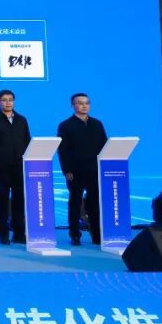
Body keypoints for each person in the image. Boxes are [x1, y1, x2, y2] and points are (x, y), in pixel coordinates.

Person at [56, 93, 108, 246]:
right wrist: (67, 170)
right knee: (75, 203)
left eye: (87, 103)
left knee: (95, 203)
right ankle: (75, 235)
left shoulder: (97, 124)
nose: (84, 106)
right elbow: (63, 150)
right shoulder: (65, 125)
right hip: (75, 171)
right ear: (73, 106)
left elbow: (104, 146)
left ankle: (97, 235)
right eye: (80, 103)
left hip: (94, 170)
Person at [0, 89, 31, 245]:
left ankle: (19, 233)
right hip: (0, 168)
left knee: (19, 200)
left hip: (19, 166)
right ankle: (3, 234)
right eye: (4, 100)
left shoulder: (22, 120)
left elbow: (27, 141)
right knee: (2, 200)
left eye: (11, 99)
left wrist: (29, 162)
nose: (8, 102)